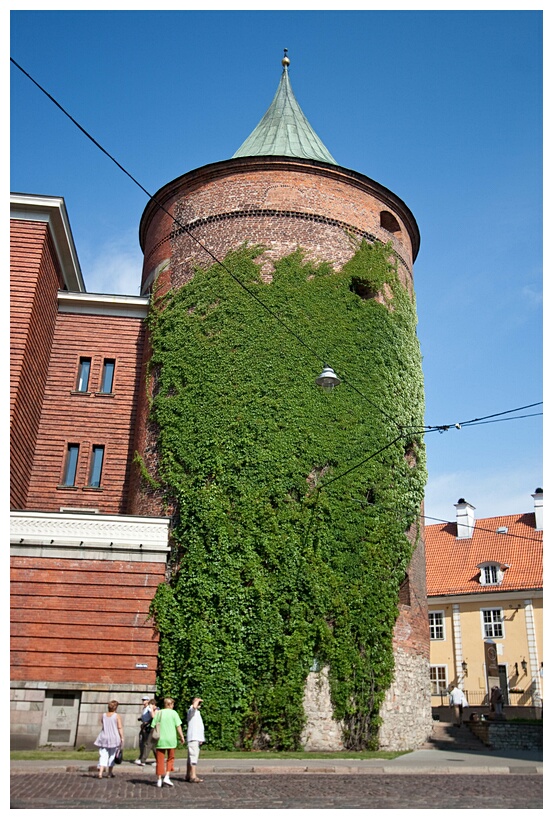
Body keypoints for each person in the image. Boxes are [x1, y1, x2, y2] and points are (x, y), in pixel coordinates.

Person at [150, 697, 185, 788]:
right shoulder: (174, 713)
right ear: (170, 704)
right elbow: (178, 726)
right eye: (173, 704)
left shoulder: (159, 713)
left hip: (160, 739)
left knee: (160, 760)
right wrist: (181, 736)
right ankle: (167, 776)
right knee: (170, 758)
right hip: (171, 739)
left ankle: (159, 779)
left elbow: (153, 725)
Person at [94, 700, 124, 779]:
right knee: (112, 755)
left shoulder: (104, 715)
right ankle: (109, 773)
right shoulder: (117, 716)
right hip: (114, 737)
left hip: (104, 736)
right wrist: (122, 737)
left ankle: (100, 773)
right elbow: (119, 727)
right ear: (116, 708)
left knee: (103, 755)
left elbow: (102, 722)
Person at [186, 697, 205, 783]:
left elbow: (198, 726)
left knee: (191, 757)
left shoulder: (197, 713)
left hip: (196, 737)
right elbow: (193, 707)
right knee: (193, 756)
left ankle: (188, 774)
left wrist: (201, 738)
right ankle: (193, 775)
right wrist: (197, 701)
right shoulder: (191, 710)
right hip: (193, 737)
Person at [135, 695, 158, 765]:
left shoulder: (149, 708)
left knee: (147, 744)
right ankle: (142, 758)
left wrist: (151, 709)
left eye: (145, 700)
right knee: (146, 744)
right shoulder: (145, 708)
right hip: (144, 727)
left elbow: (153, 716)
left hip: (148, 728)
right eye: (143, 700)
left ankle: (143, 760)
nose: (143, 701)